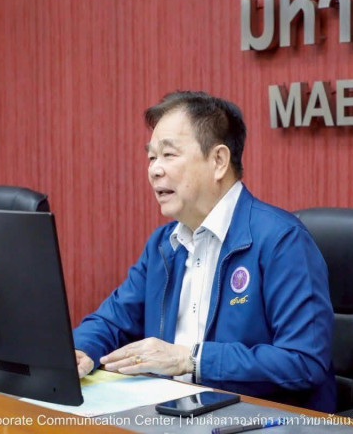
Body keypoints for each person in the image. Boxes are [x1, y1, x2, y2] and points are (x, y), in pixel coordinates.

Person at [72, 91, 336, 412]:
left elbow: (304, 362)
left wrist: (191, 359)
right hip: (172, 415)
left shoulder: (281, 240)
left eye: (168, 155)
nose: (154, 170)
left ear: (218, 161)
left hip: (260, 420)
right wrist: (81, 349)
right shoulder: (163, 245)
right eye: (151, 158)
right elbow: (112, 320)